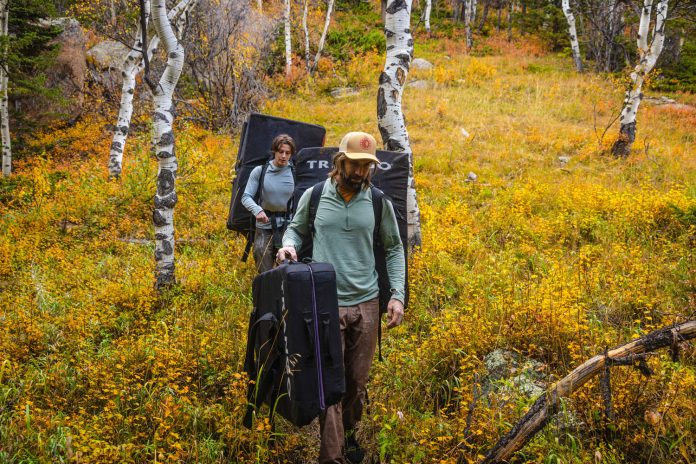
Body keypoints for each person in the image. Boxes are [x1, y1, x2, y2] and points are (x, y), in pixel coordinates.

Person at [276, 131, 405, 464]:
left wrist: (397, 296)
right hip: (325, 304)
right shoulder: (316, 196)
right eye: (355, 164)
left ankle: (348, 433)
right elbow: (296, 228)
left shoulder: (378, 202)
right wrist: (288, 244)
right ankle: (331, 456)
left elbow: (393, 248)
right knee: (329, 384)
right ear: (340, 162)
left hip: (367, 303)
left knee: (355, 384)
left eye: (366, 166)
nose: (360, 171)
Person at [242, 134, 296, 273]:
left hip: (287, 226)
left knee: (287, 267)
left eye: (287, 153)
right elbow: (246, 196)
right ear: (274, 151)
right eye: (280, 152)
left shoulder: (295, 172)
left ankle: (284, 293)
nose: (283, 156)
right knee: (263, 264)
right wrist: (257, 210)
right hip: (264, 225)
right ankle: (266, 292)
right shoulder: (260, 171)